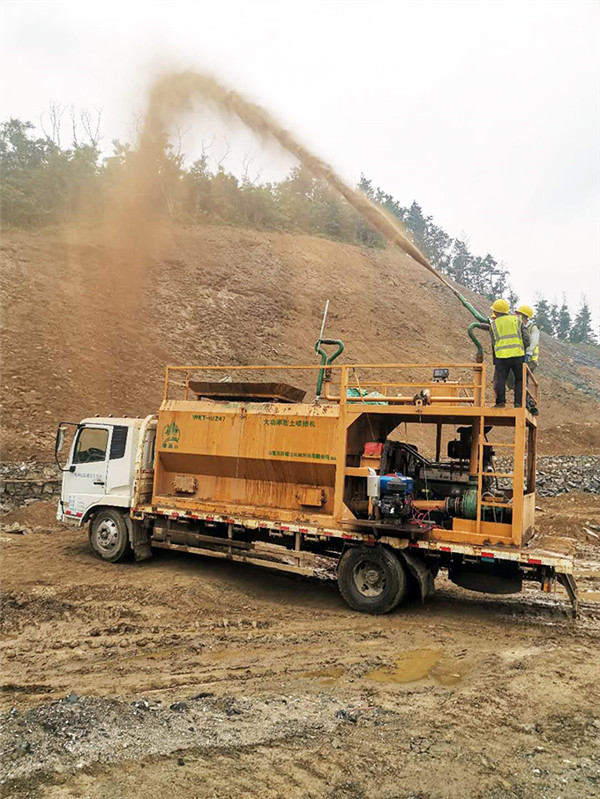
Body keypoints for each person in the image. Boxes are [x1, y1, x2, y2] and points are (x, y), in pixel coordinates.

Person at [489, 298, 527, 407]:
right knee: (519, 380)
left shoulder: (494, 324)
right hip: (517, 355)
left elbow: (494, 342)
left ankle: (500, 402)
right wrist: (521, 347)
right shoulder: (517, 320)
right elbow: (526, 338)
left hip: (501, 357)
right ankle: (518, 403)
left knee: (501, 379)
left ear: (496, 312)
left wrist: (495, 358)